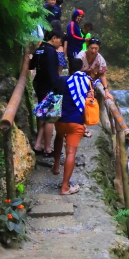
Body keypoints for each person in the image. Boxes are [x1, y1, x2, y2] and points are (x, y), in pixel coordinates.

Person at [50, 58, 92, 195]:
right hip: (76, 122)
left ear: (70, 67)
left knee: (59, 137)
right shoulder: (86, 82)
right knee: (71, 153)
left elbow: (54, 96)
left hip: (61, 120)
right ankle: (65, 187)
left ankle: (56, 166)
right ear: (82, 67)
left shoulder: (62, 80)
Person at [29, 29, 63, 157]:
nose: (61, 43)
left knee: (41, 114)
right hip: (49, 87)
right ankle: (47, 148)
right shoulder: (51, 51)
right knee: (50, 118)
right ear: (54, 38)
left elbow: (31, 66)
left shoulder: (40, 48)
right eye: (60, 40)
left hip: (39, 85)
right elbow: (51, 71)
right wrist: (57, 87)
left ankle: (38, 144)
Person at [78, 37, 113, 136]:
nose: (93, 51)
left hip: (90, 82)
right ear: (88, 47)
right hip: (79, 81)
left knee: (88, 103)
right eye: (92, 48)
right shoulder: (81, 56)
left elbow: (102, 74)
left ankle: (84, 126)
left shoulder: (99, 58)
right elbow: (74, 70)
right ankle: (79, 127)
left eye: (96, 49)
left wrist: (106, 90)